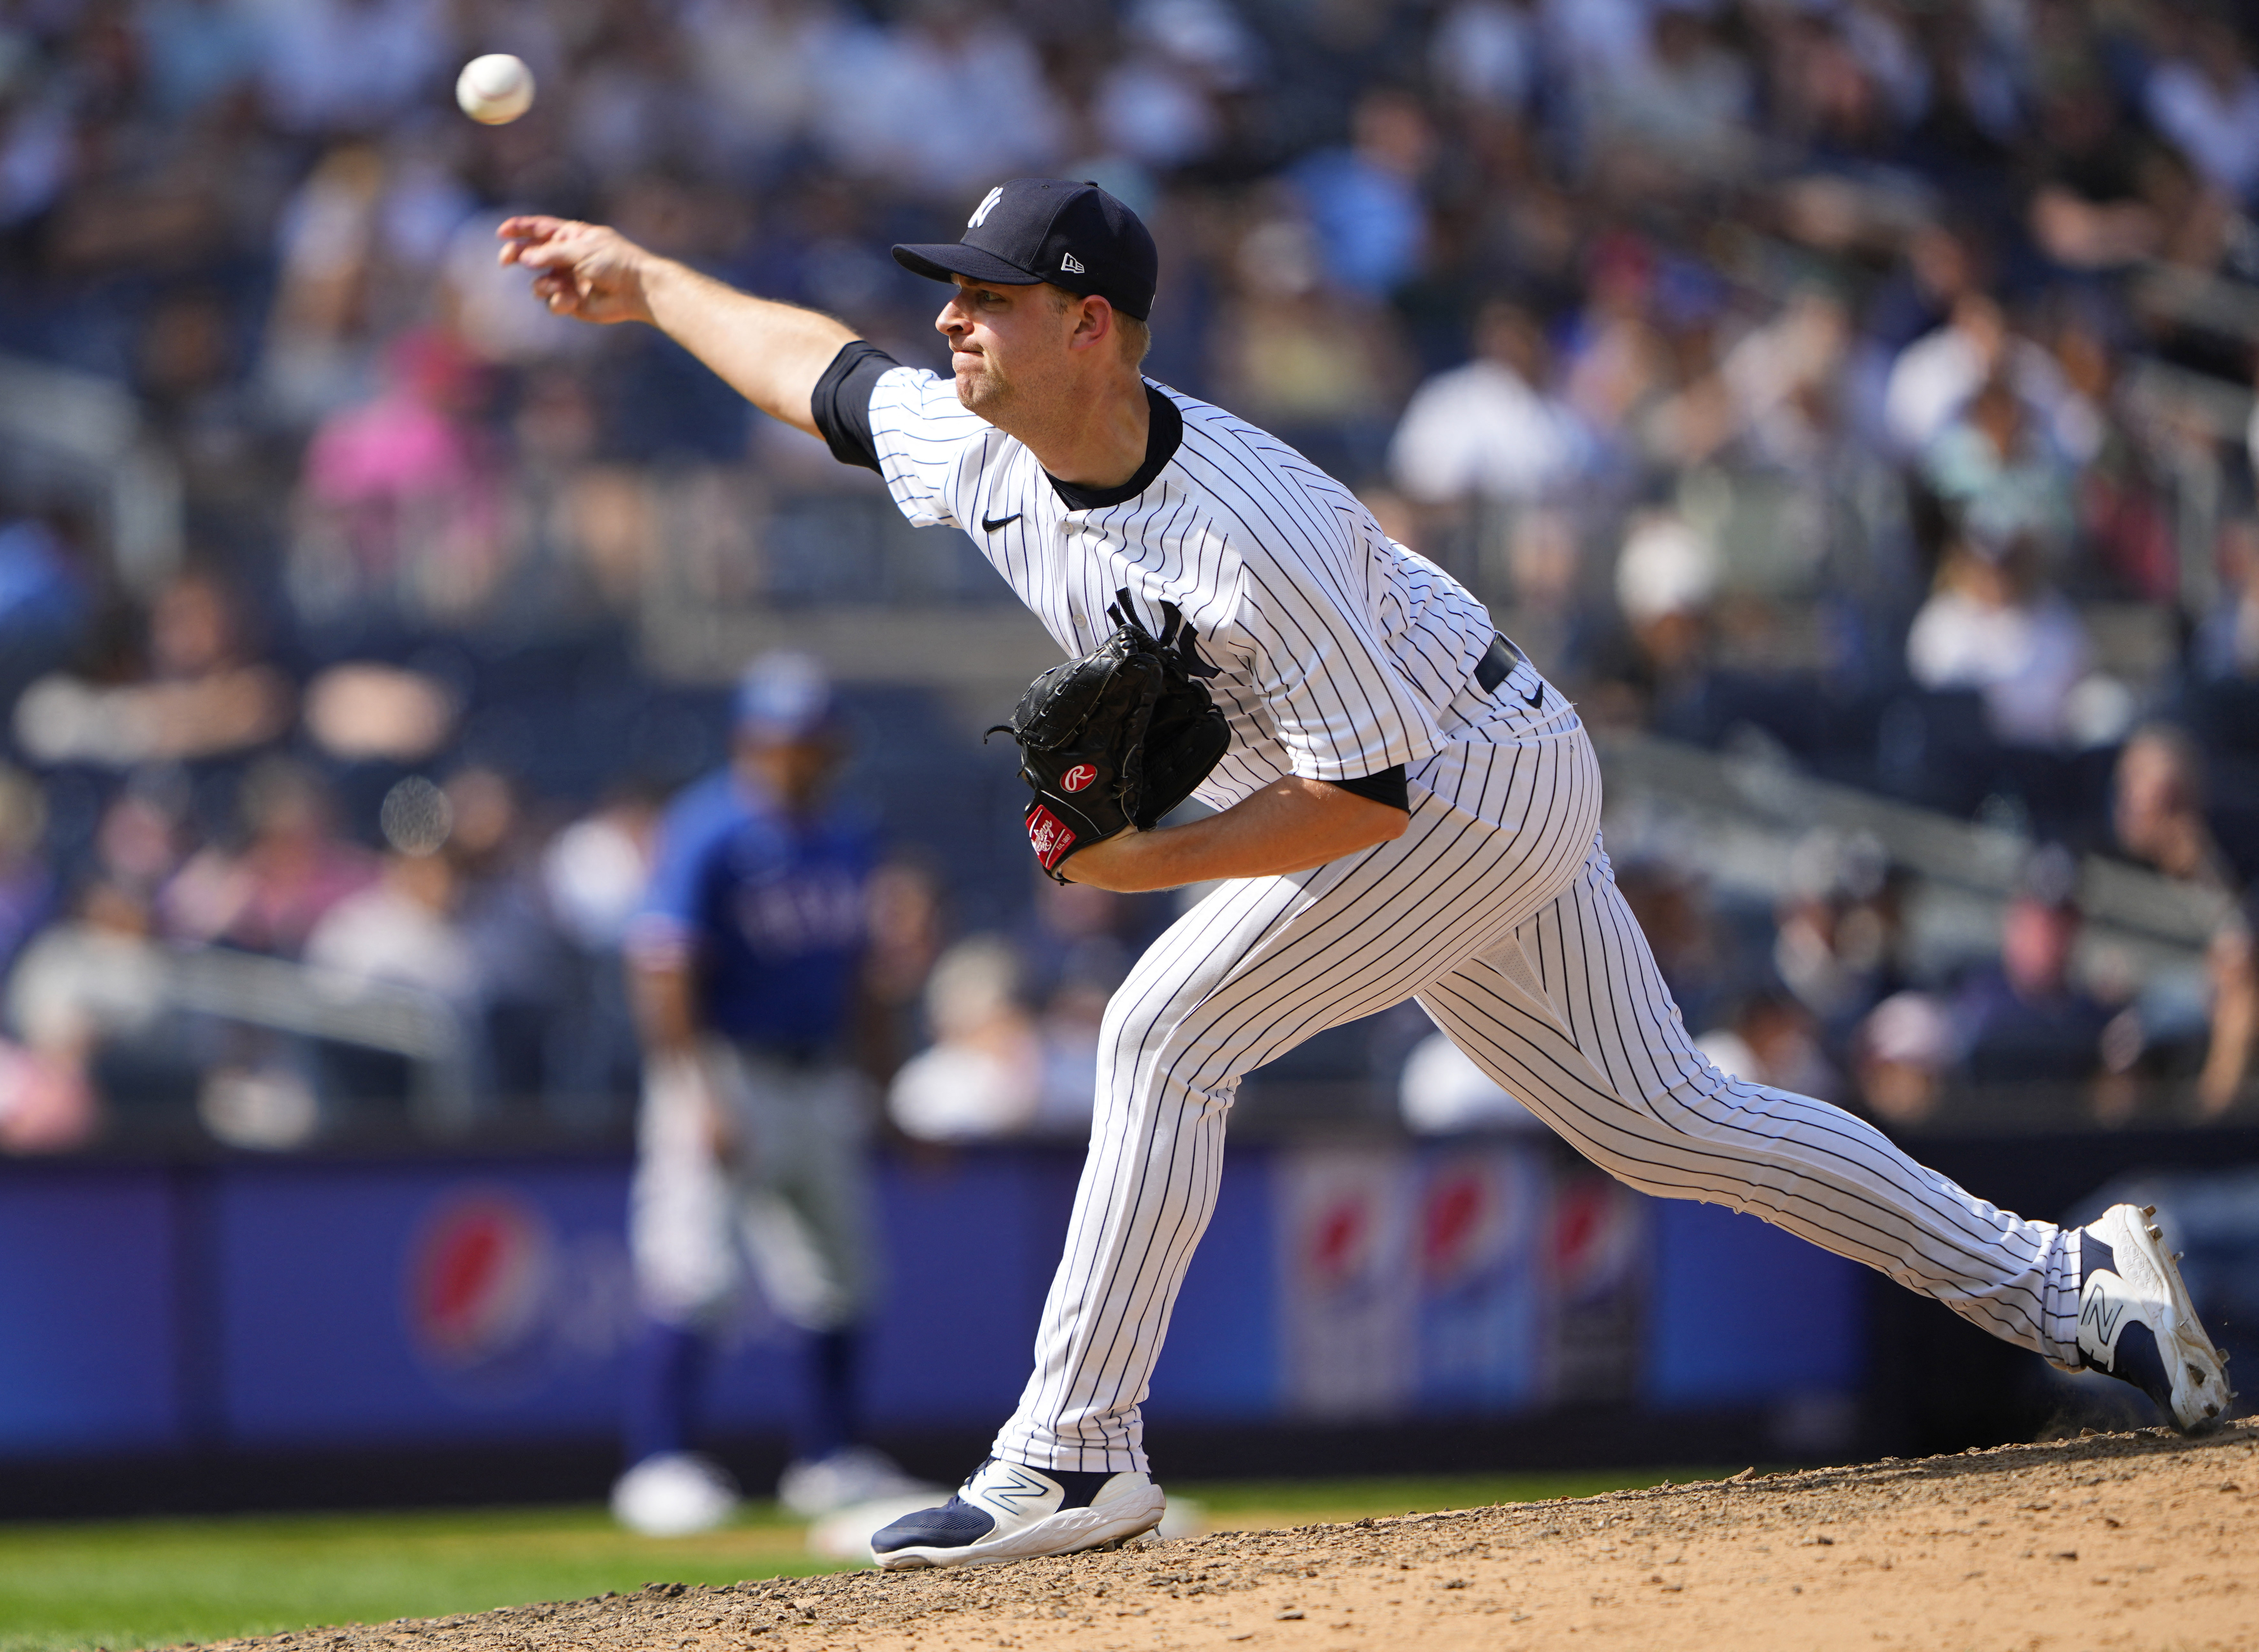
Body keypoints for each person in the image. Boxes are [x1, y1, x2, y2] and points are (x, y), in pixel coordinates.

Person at [498, 177, 2232, 1570]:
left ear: (1088, 324)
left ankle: (1073, 1459)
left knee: (1165, 1034)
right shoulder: (989, 450)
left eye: (989, 295)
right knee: (1668, 1125)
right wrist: (645, 279)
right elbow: (819, 368)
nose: (948, 318)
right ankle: (2069, 1286)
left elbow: (1367, 803)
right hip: (1467, 768)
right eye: (951, 290)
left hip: (1461, 784)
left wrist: (1152, 863)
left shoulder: (1256, 520)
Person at [608, 651, 926, 1537]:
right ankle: (659, 1460)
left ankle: (832, 1457)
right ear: (752, 740)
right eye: (784, 739)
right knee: (694, 1268)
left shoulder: (849, 833)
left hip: (819, 1073)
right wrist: (695, 1089)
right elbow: (664, 969)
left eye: (812, 739)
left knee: (842, 1275)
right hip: (728, 1068)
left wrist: (886, 1092)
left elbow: (863, 978)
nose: (799, 755)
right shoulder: (709, 827)